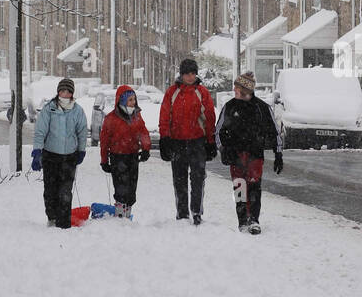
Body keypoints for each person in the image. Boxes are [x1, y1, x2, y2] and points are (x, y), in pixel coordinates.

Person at [215, 71, 282, 235]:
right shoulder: (229, 107)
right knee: (239, 187)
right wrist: (223, 149)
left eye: (237, 88)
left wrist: (278, 153)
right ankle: (242, 220)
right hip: (235, 154)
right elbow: (217, 131)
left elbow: (274, 131)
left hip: (255, 154)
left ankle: (254, 220)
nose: (234, 90)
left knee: (254, 186)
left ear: (247, 90)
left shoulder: (262, 108)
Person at [159, 58, 217, 224]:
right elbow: (165, 117)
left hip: (197, 142)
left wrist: (210, 141)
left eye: (193, 73)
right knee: (179, 179)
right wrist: (164, 138)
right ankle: (182, 213)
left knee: (198, 178)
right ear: (181, 75)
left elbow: (209, 118)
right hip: (177, 142)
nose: (190, 77)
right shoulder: (172, 92)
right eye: (187, 74)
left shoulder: (202, 93)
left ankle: (197, 211)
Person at [31, 78, 88, 228]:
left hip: (69, 157)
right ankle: (52, 217)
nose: (65, 94)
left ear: (72, 93)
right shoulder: (49, 109)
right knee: (50, 190)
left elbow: (82, 132)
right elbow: (40, 131)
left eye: (68, 91)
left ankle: (63, 223)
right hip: (50, 156)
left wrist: (81, 150)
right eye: (62, 91)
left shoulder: (78, 111)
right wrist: (37, 151)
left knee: (65, 191)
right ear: (58, 92)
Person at [99, 85, 151, 218]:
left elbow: (143, 133)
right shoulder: (111, 118)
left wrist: (146, 148)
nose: (133, 102)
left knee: (131, 189)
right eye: (130, 100)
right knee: (121, 188)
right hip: (118, 157)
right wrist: (104, 160)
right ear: (121, 101)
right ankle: (120, 215)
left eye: (134, 99)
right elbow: (104, 141)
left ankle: (127, 214)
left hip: (133, 156)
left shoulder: (136, 116)